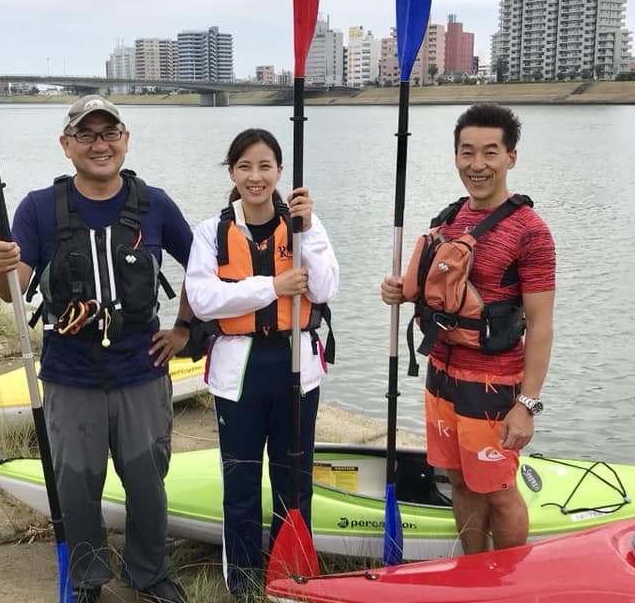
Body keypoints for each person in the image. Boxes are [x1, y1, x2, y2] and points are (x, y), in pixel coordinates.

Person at [0, 94, 193, 603]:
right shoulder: (39, 207)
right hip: (69, 369)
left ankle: (149, 572)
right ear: (66, 145)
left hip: (140, 367)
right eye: (86, 135)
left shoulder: (156, 203)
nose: (99, 145)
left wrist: (185, 329)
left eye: (109, 133)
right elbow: (12, 288)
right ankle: (87, 577)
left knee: (147, 479)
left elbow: (203, 268)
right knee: (76, 482)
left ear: (125, 140)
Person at [381, 103, 555, 554]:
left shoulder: (530, 231)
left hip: (493, 385)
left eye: (490, 153)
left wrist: (527, 406)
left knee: (497, 488)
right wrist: (403, 291)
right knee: (459, 479)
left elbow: (540, 326)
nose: (477, 165)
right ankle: (474, 574)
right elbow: (440, 292)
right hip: (441, 375)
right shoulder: (450, 218)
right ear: (456, 155)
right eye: (467, 152)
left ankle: (509, 582)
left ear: (510, 157)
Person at [184, 128, 339, 597]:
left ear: (279, 172)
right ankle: (245, 581)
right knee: (242, 479)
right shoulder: (210, 232)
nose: (256, 176)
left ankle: (292, 575)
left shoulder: (304, 225)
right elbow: (203, 299)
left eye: (265, 166)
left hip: (295, 367)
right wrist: (270, 287)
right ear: (232, 172)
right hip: (239, 372)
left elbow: (326, 288)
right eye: (245, 167)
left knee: (294, 480)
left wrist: (307, 230)